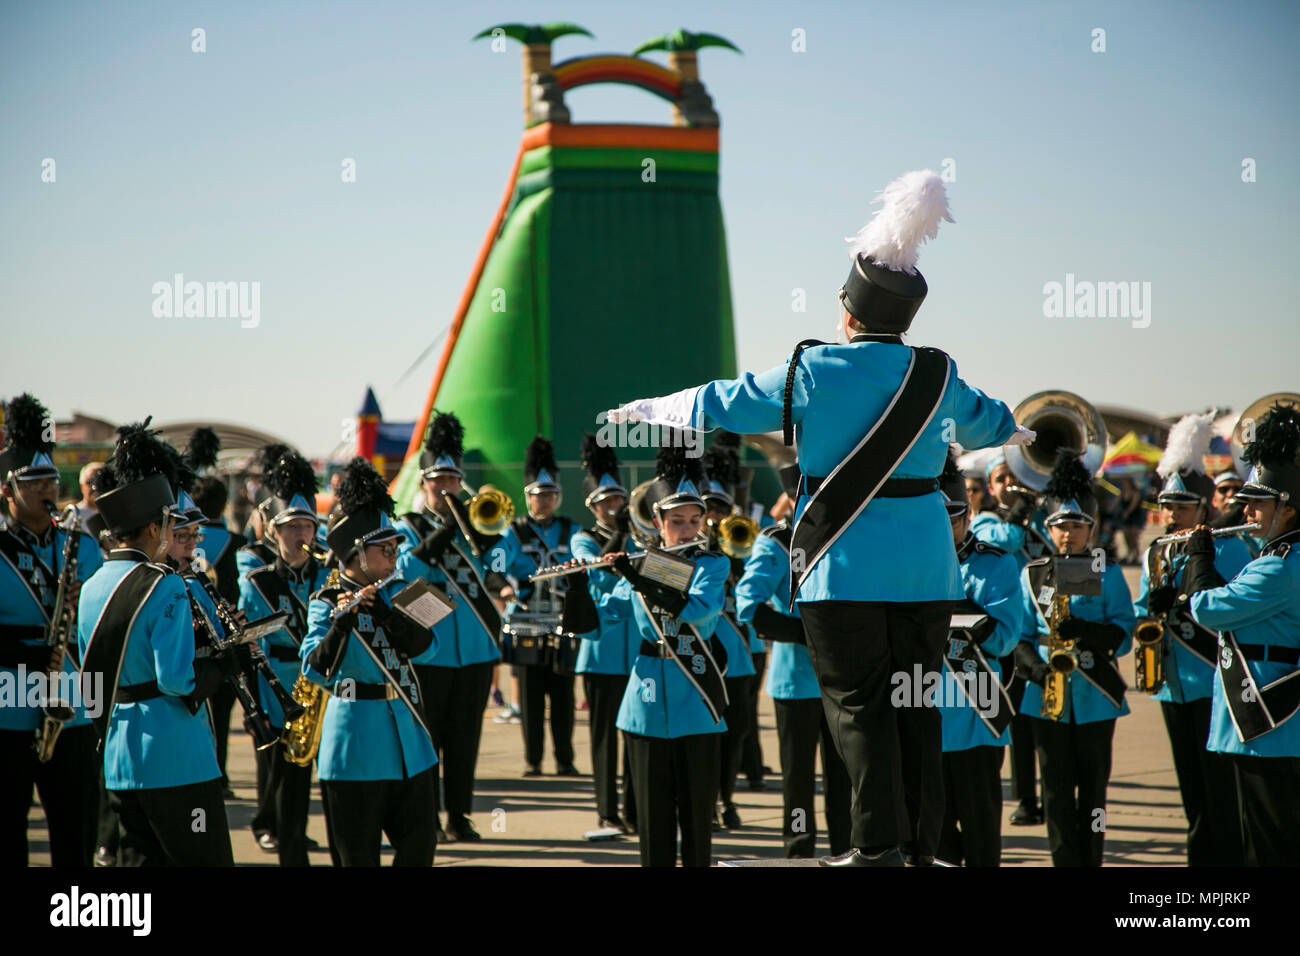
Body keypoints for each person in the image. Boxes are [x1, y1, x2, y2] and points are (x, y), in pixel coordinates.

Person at [607, 170, 1029, 866]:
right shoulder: (937, 372)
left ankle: (876, 845)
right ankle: (925, 845)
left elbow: (726, 400)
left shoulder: (814, 369)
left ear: (849, 311)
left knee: (861, 706)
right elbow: (995, 424)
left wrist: (650, 409)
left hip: (845, 569)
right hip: (927, 567)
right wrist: (1017, 435)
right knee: (918, 701)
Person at [77, 421, 234, 866]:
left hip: (119, 756)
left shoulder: (91, 586)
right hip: (176, 757)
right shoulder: (164, 584)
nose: (176, 534)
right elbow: (178, 679)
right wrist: (224, 666)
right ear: (151, 528)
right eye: (170, 525)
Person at [575, 440, 729, 867]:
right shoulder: (640, 562)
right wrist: (580, 586)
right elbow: (603, 620)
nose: (687, 529)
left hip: (696, 700)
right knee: (653, 822)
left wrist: (643, 578)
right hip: (643, 702)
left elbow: (698, 612)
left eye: (694, 520)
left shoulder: (712, 564)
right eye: (677, 521)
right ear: (658, 521)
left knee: (697, 821)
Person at [301, 457, 437, 866]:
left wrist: (387, 616)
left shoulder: (408, 589)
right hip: (354, 745)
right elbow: (313, 668)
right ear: (358, 554)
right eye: (386, 548)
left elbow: (430, 647)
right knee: (357, 857)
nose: (396, 553)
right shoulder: (325, 602)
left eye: (395, 546)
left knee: (420, 846)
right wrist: (341, 626)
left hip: (410, 745)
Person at [1133, 413, 1250, 866]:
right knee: (1190, 787)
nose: (1172, 514)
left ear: (1203, 509)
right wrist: (1151, 608)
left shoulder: (1230, 547)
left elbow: (1236, 609)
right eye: (1167, 505)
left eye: (1182, 506)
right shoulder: (1156, 551)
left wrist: (1182, 606)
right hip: (1171, 685)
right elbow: (1143, 608)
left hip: (1213, 683)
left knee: (1218, 788)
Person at [1186, 401, 1300, 866]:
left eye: (1258, 503)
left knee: (1268, 848)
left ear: (1287, 508)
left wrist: (1199, 559)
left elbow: (1209, 608)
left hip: (1269, 722)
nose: (1248, 512)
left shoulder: (1280, 567)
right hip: (1269, 724)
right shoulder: (1277, 557)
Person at [1013, 451, 1135, 867]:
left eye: (1076, 525)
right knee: (1055, 790)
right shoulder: (1031, 573)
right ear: (1048, 529)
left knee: (1094, 792)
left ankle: (1092, 859)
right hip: (1046, 697)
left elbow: (1124, 633)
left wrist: (1088, 632)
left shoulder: (1107, 571)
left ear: (1091, 528)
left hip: (1096, 696)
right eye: (1060, 526)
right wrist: (1036, 668)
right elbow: (1020, 636)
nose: (1068, 534)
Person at [0, 394, 104, 867]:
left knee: (77, 834)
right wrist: (22, 654)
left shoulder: (82, 546)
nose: (48, 487)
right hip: (10, 708)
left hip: (74, 708)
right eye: (34, 480)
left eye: (50, 479)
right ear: (8, 490)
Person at [395, 411, 505, 843]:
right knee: (430, 736)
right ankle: (427, 817)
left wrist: (485, 533)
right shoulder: (407, 526)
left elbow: (504, 562)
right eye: (436, 481)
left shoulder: (480, 524)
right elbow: (408, 568)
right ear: (423, 485)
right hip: (431, 650)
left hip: (476, 650)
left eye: (452, 480)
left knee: (465, 738)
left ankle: (459, 815)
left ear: (461, 482)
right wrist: (445, 530)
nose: (445, 488)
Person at [734, 485, 850, 858]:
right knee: (798, 781)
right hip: (795, 683)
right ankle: (799, 850)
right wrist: (808, 634)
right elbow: (748, 604)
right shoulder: (776, 544)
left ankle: (845, 849)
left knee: (844, 778)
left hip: (841, 681)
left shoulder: (844, 532)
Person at [238, 449, 329, 865]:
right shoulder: (258, 581)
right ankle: (289, 847)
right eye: (292, 526)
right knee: (287, 784)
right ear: (274, 532)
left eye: (307, 525)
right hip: (280, 692)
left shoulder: (330, 576)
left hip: (325, 687)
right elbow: (249, 646)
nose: (301, 534)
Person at [936, 452, 1023, 866]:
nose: (943, 527)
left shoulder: (995, 564)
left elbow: (1004, 639)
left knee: (981, 828)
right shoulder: (907, 565)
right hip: (920, 708)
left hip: (975, 713)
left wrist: (954, 608)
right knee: (928, 830)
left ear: (967, 515)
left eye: (952, 517)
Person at [494, 437, 580, 776]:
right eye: (535, 495)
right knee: (529, 699)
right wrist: (501, 586)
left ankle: (565, 760)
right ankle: (533, 760)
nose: (542, 501)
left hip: (562, 622)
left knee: (563, 697)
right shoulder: (513, 533)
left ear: (557, 497)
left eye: (548, 495)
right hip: (526, 623)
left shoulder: (571, 528)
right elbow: (494, 565)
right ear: (526, 497)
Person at [568, 434, 640, 832]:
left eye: (619, 501)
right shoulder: (582, 538)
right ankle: (606, 811)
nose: (615, 508)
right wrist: (624, 531)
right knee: (603, 738)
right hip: (601, 653)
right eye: (607, 503)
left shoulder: (636, 535)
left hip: (637, 652)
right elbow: (602, 572)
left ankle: (633, 809)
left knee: (635, 735)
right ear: (593, 506)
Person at [973, 451, 1048, 827]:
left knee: (1044, 721)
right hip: (1008, 632)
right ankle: (1025, 797)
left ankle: (1050, 793)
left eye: (1014, 478)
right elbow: (1005, 539)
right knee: (1015, 720)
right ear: (990, 487)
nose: (1009, 485)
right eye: (1001, 479)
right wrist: (1021, 509)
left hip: (1041, 625)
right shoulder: (985, 521)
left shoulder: (1042, 520)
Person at [699, 435, 757, 830]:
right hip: (701, 652)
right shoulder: (694, 550)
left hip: (737, 656)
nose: (714, 517)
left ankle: (726, 798)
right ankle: (705, 801)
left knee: (735, 734)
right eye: (708, 509)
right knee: (706, 733)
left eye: (721, 509)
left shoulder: (747, 541)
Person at [73, 461, 104, 533]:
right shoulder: (75, 514)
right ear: (81, 486)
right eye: (90, 482)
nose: (95, 487)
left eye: (100, 481)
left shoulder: (116, 513)